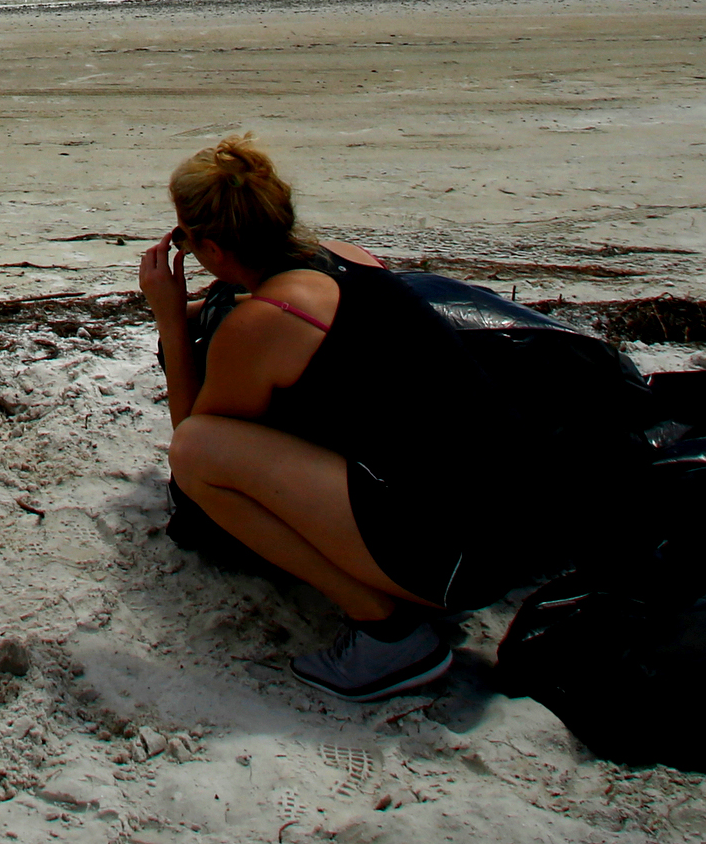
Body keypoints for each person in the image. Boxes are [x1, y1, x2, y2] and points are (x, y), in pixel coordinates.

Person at [139, 133, 497, 704]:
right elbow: (266, 313)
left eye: (184, 238)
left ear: (211, 248)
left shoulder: (264, 323)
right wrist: (197, 307)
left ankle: (386, 631)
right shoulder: (342, 258)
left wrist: (169, 324)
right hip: (499, 525)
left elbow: (193, 449)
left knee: (197, 453)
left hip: (451, 563)